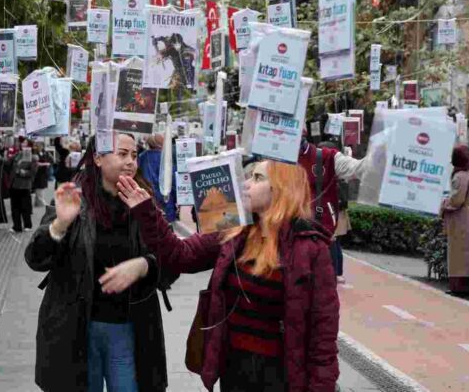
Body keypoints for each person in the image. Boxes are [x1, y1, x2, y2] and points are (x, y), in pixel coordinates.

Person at [116, 160, 339, 391]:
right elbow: (181, 254)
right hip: (234, 369)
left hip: (282, 375)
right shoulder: (233, 228)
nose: (246, 184)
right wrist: (147, 212)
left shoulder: (310, 248)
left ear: (282, 188)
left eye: (257, 178)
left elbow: (323, 334)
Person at [25, 133, 170, 392]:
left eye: (134, 155)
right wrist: (60, 225)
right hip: (76, 329)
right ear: (98, 157)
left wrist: (145, 265)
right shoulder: (74, 198)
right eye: (122, 154)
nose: (130, 162)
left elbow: (171, 264)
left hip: (128, 330)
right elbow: (35, 258)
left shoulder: (143, 200)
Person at [441, 145, 469, 296]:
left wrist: (444, 204)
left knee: (458, 253)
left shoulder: (460, 176)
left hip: (461, 217)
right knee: (467, 253)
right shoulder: (468, 174)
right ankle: (465, 287)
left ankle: (458, 287)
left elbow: (457, 200)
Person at [317, 140, 351, 284]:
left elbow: (342, 200)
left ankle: (337, 272)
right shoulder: (323, 173)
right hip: (331, 212)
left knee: (333, 243)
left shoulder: (338, 176)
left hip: (335, 213)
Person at [137, 134, 177, 222]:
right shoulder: (166, 159)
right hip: (165, 200)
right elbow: (173, 182)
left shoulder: (141, 157)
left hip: (145, 198)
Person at [8, 139, 38, 232]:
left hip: (24, 185)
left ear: (29, 145)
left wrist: (22, 172)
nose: (22, 144)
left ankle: (27, 225)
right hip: (14, 184)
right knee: (15, 207)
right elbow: (8, 163)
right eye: (22, 142)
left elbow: (33, 172)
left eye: (25, 142)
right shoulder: (18, 154)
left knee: (25, 206)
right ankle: (16, 226)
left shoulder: (33, 157)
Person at [32, 141, 53, 207]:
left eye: (41, 145)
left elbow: (50, 161)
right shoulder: (34, 153)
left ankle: (38, 202)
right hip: (37, 173)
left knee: (42, 187)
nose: (39, 147)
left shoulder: (46, 153)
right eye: (38, 145)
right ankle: (40, 201)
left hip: (44, 173)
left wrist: (48, 164)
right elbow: (35, 163)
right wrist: (43, 164)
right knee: (38, 187)